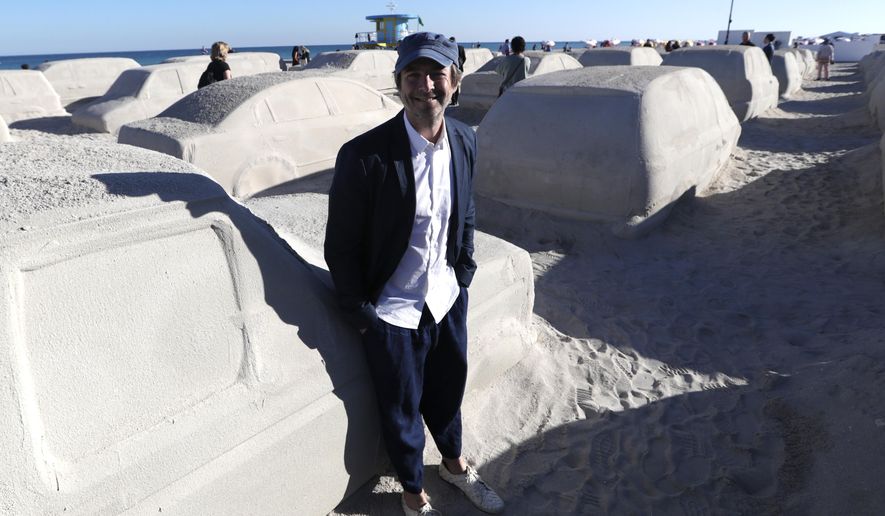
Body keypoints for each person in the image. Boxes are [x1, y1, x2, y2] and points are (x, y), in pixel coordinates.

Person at [325, 31, 505, 516]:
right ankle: (412, 492)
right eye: (412, 75)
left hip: (445, 297)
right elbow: (339, 247)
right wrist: (365, 314)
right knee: (400, 407)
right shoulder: (364, 157)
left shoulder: (465, 139)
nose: (424, 84)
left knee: (448, 392)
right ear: (398, 83)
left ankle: (453, 464)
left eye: (436, 73)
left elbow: (464, 212)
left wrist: (462, 273)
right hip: (393, 310)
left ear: (456, 82)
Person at [448, 36, 466, 107]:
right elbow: (464, 58)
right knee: (456, 84)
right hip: (459, 68)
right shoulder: (461, 47)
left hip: (453, 67)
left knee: (452, 84)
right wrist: (461, 64)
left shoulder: (450, 48)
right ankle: (455, 100)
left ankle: (453, 100)